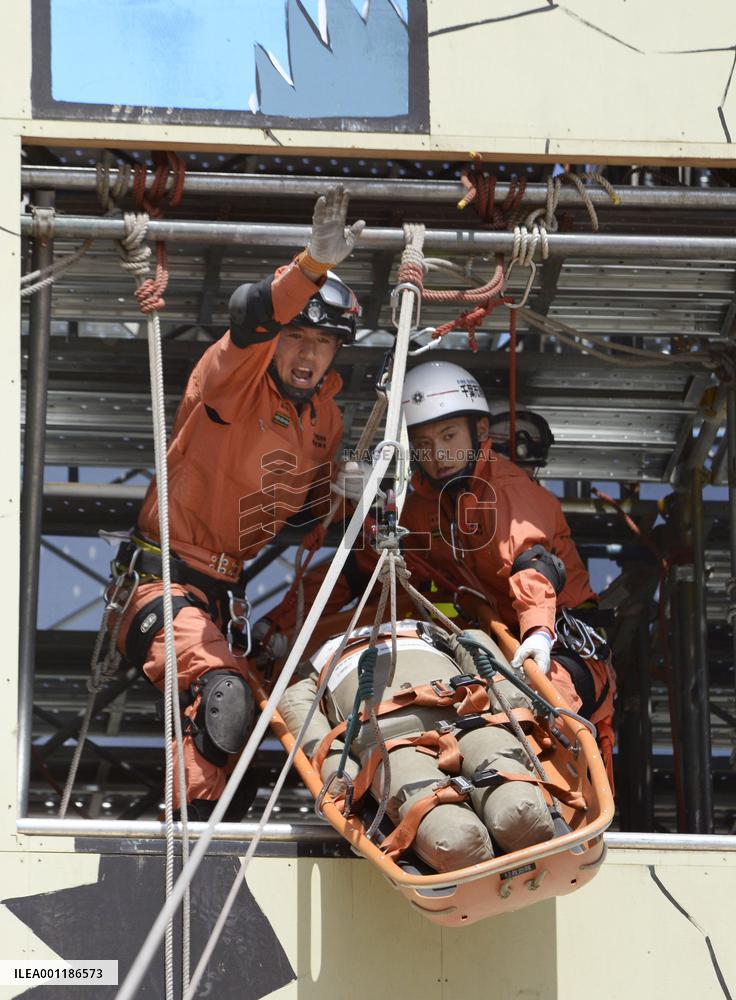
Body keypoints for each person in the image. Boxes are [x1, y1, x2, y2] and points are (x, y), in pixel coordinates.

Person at [109, 185, 365, 820]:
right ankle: (188, 844)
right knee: (222, 693)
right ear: (277, 340)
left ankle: (214, 840)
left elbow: (303, 522)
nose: (309, 355)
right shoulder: (231, 378)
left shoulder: (324, 423)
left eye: (324, 344)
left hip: (227, 598)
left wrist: (346, 495)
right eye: (298, 337)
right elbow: (254, 313)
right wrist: (311, 266)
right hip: (161, 579)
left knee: (250, 738)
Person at [263, 360, 616, 787]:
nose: (439, 454)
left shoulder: (506, 490)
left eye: (449, 437)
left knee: (537, 732)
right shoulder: (423, 506)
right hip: (483, 654)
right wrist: (278, 628)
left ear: (480, 433)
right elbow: (365, 573)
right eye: (425, 444)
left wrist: (538, 634)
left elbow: (532, 564)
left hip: (556, 654)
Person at [279, 619, 556, 871]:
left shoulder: (424, 630)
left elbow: (294, 702)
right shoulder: (326, 660)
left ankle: (497, 829)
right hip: (401, 741)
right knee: (455, 837)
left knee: (517, 810)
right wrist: (511, 697)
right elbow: (472, 639)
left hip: (457, 717)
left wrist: (336, 770)